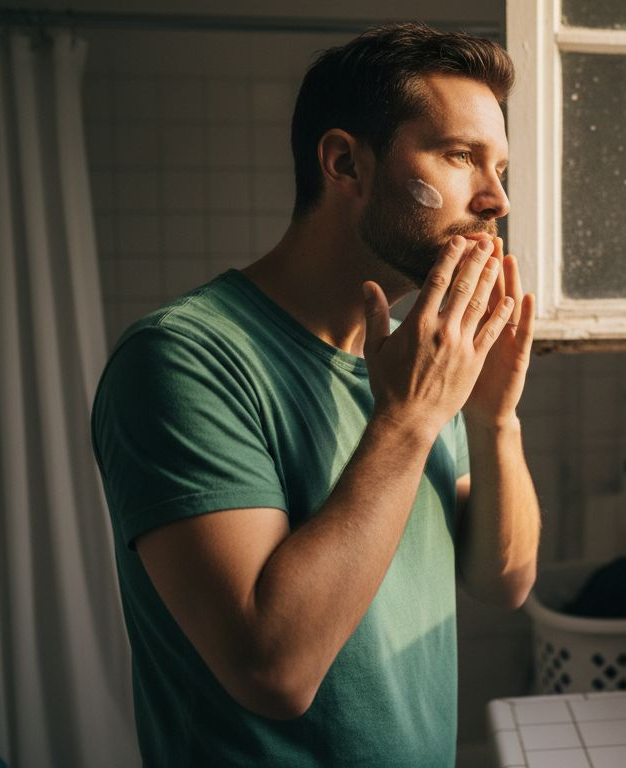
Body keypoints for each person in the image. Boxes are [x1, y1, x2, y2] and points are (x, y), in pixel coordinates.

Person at [90, 23, 539, 767]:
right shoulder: (183, 359)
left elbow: (505, 581)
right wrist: (411, 417)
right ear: (344, 163)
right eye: (460, 156)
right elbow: (274, 671)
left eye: (500, 169)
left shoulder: (413, 354)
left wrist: (495, 417)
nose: (495, 199)